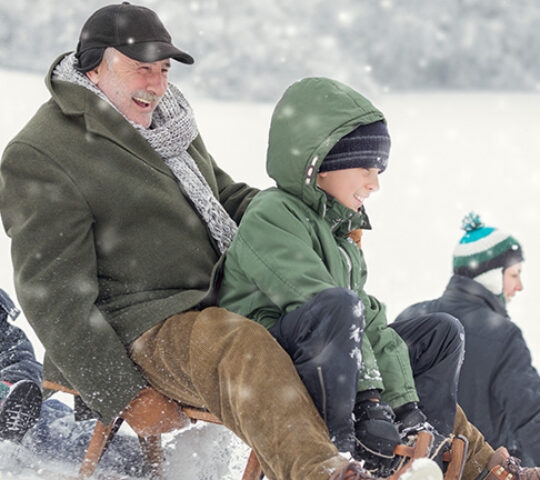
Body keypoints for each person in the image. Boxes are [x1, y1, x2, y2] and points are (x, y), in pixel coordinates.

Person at [0, 4, 438, 479]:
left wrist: (305, 216)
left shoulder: (167, 124)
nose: (156, 84)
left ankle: (465, 459)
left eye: (163, 69)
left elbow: (223, 195)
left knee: (362, 322)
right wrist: (122, 394)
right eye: (140, 68)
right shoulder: (42, 153)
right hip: (139, 322)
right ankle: (324, 470)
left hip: (216, 298)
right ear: (93, 67)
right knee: (242, 344)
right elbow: (53, 295)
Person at [216, 77, 540, 480]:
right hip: (278, 355)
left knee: (440, 333)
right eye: (365, 168)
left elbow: (370, 323)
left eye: (379, 170)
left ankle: (426, 455)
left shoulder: (341, 237)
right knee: (341, 307)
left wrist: (406, 406)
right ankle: (349, 448)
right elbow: (324, 306)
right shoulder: (273, 214)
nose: (375, 183)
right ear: (318, 166)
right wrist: (370, 400)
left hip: (334, 347)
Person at [395, 212, 540, 467]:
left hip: (418, 468)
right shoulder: (504, 337)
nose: (519, 287)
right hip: (482, 468)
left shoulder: (413, 318)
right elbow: (531, 418)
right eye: (515, 275)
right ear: (492, 276)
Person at [0, 288, 42, 442]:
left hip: (12, 409)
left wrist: (8, 383)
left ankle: (113, 447)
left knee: (52, 415)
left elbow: (26, 363)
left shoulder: (8, 338)